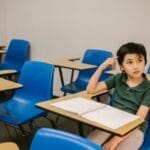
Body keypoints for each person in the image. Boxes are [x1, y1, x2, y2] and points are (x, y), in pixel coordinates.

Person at [86, 42, 150, 150]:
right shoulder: (118, 78)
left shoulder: (148, 87)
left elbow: (138, 120)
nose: (136, 66)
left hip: (134, 129)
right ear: (122, 67)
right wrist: (102, 67)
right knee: (88, 146)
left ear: (145, 63)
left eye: (140, 61)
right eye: (129, 62)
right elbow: (91, 89)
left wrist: (115, 140)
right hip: (113, 121)